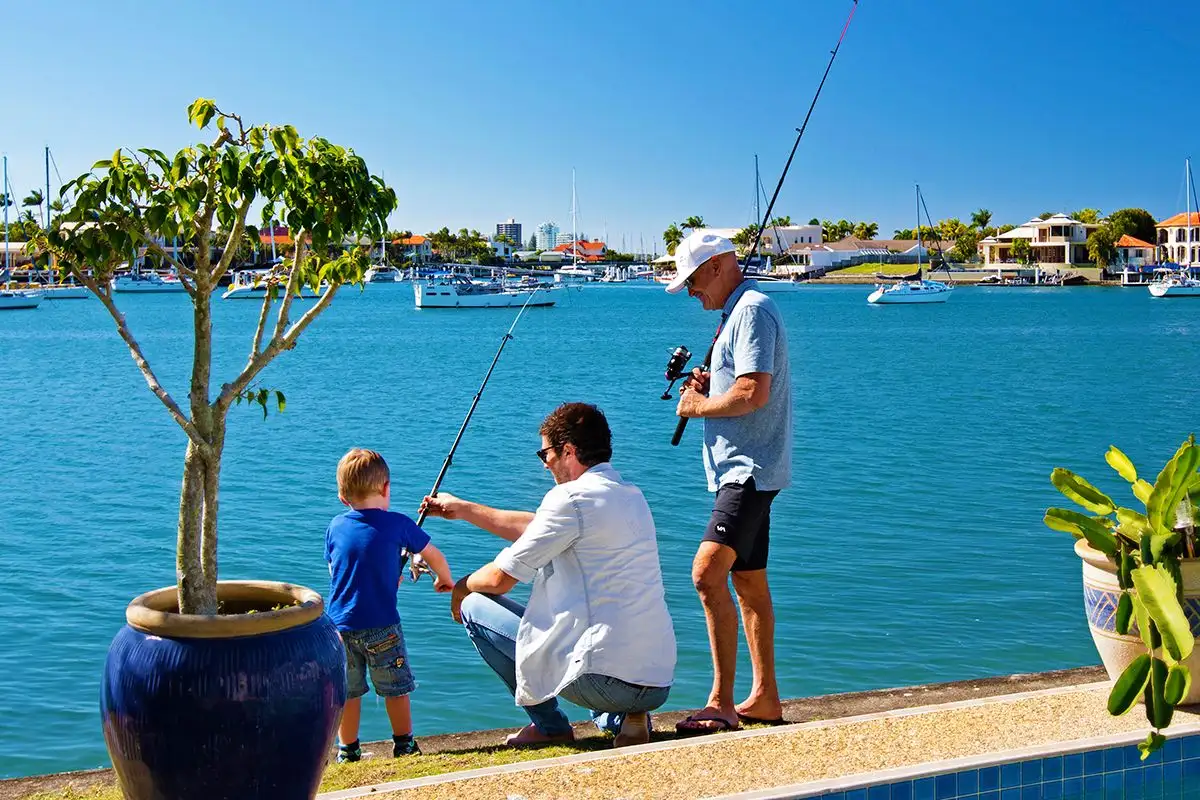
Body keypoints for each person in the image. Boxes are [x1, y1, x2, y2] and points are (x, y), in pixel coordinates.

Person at [420, 402, 676, 749]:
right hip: (656, 681)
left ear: (568, 451)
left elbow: (499, 580)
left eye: (545, 454)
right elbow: (539, 526)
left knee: (476, 607)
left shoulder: (569, 499)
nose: (544, 465)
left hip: (604, 682)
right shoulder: (629, 495)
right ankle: (626, 717)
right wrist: (465, 510)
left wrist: (461, 588)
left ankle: (550, 725)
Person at [666, 231, 792, 735]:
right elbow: (735, 385)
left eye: (694, 279)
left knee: (706, 574)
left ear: (717, 265)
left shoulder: (752, 310)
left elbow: (752, 393)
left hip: (748, 471)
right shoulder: (736, 313)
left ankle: (721, 703)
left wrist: (698, 406)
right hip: (745, 471)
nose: (692, 291)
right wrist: (709, 385)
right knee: (747, 581)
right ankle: (765, 699)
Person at [325, 447, 454, 763]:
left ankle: (349, 750)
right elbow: (434, 555)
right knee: (396, 688)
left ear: (343, 497)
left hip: (340, 628)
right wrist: (444, 579)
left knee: (349, 692)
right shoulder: (400, 524)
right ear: (385, 488)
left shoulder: (335, 527)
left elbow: (339, 570)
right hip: (382, 626)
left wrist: (382, 574)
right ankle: (405, 744)